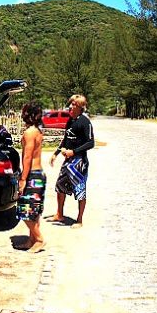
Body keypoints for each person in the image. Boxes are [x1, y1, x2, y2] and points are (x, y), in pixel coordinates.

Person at [49, 94, 94, 229]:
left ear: (80, 107)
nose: (71, 106)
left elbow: (91, 142)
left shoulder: (85, 122)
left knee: (80, 189)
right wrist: (56, 153)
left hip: (79, 162)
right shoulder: (70, 121)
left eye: (74, 104)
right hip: (67, 161)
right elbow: (65, 139)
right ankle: (59, 214)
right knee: (60, 186)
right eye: (71, 103)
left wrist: (73, 151)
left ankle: (79, 219)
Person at [15, 102, 46, 253]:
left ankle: (39, 239)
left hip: (32, 175)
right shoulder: (37, 131)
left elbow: (27, 157)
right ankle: (31, 240)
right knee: (34, 210)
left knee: (25, 210)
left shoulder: (29, 133)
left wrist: (23, 179)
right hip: (39, 173)